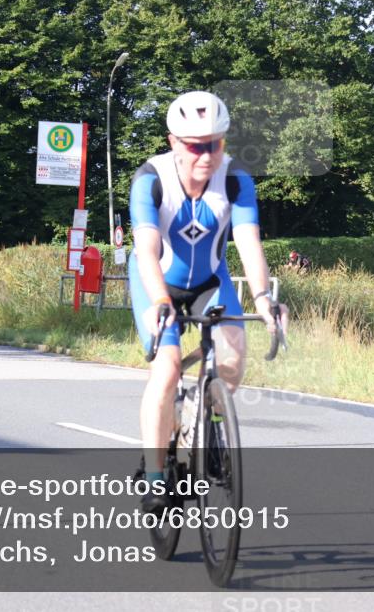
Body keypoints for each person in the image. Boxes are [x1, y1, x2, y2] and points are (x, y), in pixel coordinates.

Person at [128, 90, 288, 513]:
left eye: (215, 144)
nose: (207, 155)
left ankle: (204, 421)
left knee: (232, 361)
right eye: (196, 146)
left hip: (209, 281)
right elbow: (146, 250)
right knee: (167, 371)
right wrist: (161, 299)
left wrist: (263, 298)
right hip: (156, 282)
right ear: (174, 142)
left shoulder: (235, 178)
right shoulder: (150, 179)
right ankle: (156, 476)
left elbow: (248, 242)